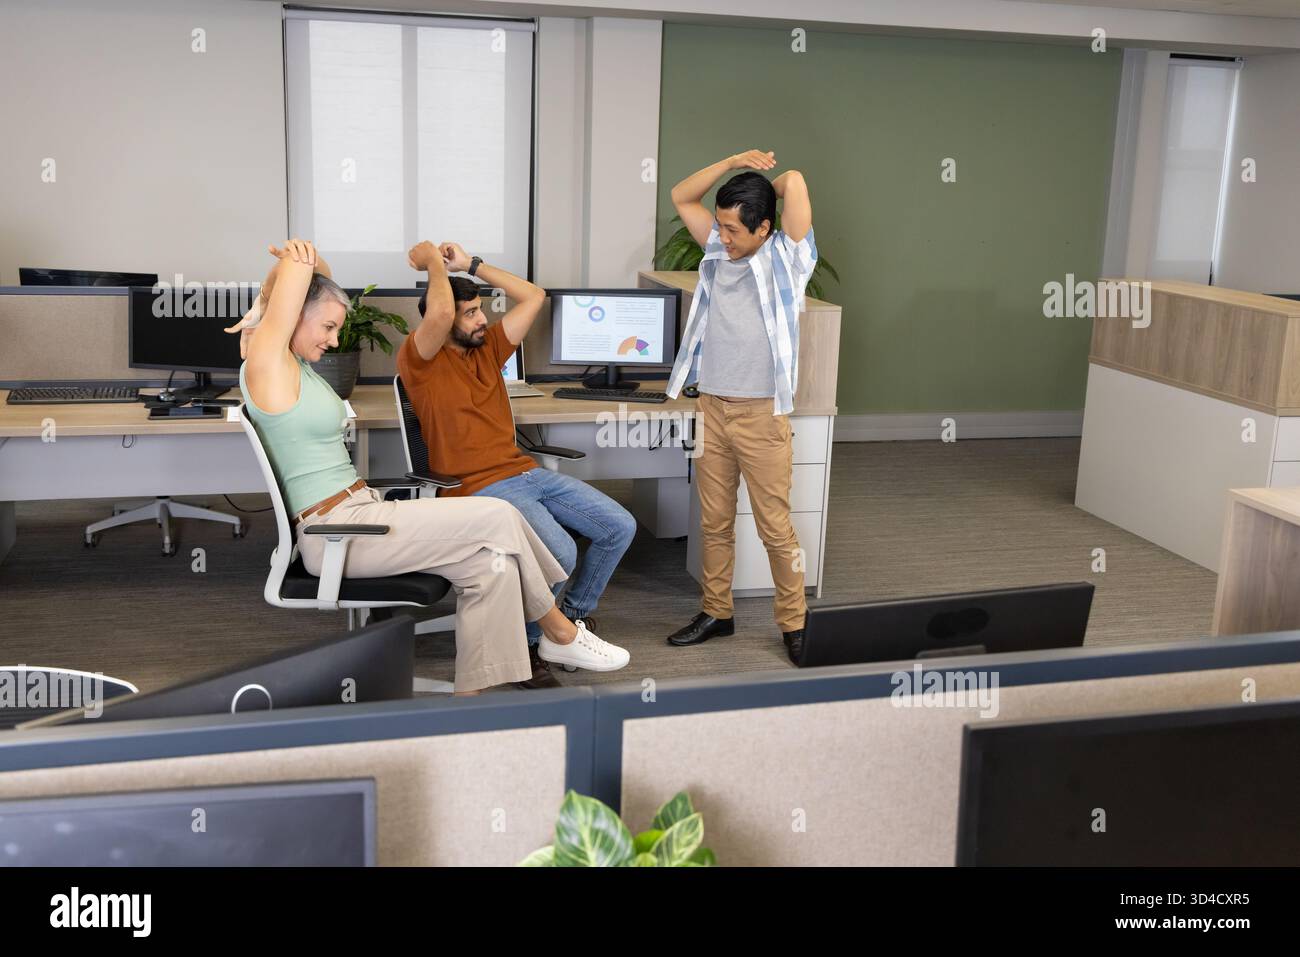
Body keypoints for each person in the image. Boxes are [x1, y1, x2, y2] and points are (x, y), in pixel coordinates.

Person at [228, 240, 630, 693]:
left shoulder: (295, 366)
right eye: (327, 327)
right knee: (501, 515)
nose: (335, 340)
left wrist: (273, 291)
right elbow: (302, 276)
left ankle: (468, 702)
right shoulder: (268, 366)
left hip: (364, 511)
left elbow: (314, 281)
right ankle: (560, 632)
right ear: (291, 319)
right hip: (336, 530)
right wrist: (296, 257)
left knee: (491, 566)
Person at [397, 241, 638, 690]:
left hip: (524, 473)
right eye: (469, 313)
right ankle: (530, 645)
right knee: (561, 553)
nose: (481, 319)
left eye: (480, 310)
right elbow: (436, 316)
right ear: (446, 317)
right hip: (475, 487)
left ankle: (567, 625)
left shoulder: (488, 350)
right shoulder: (421, 360)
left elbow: (534, 296)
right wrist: (431, 262)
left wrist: (470, 265)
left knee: (618, 526)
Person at [661, 151, 817, 664]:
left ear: (764, 227)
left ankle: (794, 623)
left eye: (732, 228)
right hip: (711, 408)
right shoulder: (718, 249)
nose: (721, 237)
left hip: (760, 416)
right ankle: (717, 612)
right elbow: (682, 195)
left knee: (776, 527)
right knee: (715, 521)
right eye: (720, 226)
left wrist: (764, 182)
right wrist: (730, 163)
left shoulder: (787, 259)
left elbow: (793, 179)